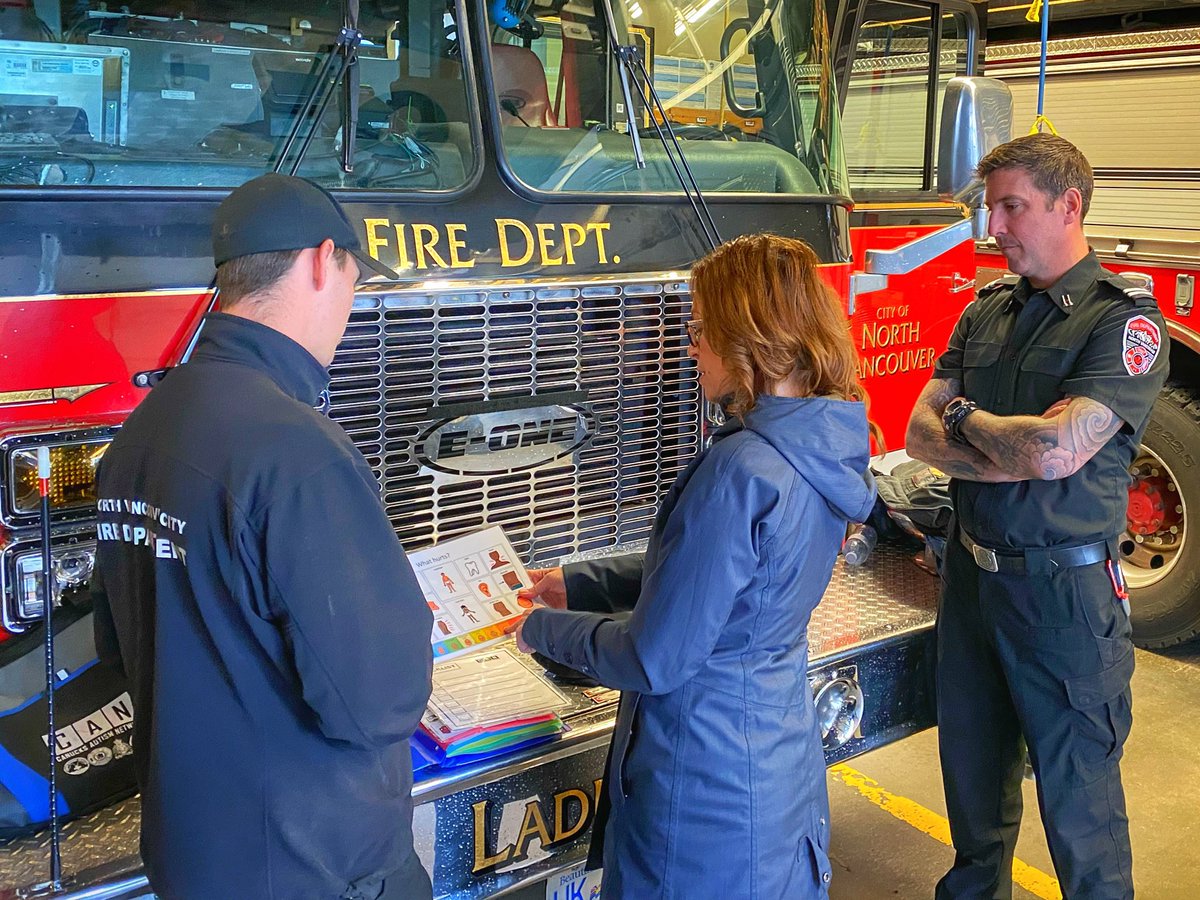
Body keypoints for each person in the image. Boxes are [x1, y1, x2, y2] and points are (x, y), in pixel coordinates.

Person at [91, 174, 434, 900]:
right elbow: (378, 700)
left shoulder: (141, 432)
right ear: (319, 262)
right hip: (317, 867)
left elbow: (119, 648)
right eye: (353, 277)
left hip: (192, 855)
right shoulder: (298, 452)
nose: (350, 303)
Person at [512, 233, 878, 898]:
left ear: (751, 338)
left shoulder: (740, 470)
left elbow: (655, 657)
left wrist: (535, 630)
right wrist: (582, 582)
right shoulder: (821, 446)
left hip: (703, 794)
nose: (692, 347)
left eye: (703, 330)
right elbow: (726, 569)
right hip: (774, 761)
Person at [905, 133, 1168, 900]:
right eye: (992, 206)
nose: (995, 225)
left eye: (1012, 206)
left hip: (1062, 599)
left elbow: (1054, 453)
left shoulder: (1121, 323)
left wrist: (961, 417)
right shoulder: (986, 308)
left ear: (1069, 205)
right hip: (972, 582)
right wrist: (991, 434)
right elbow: (918, 432)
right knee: (973, 788)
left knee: (1080, 809)